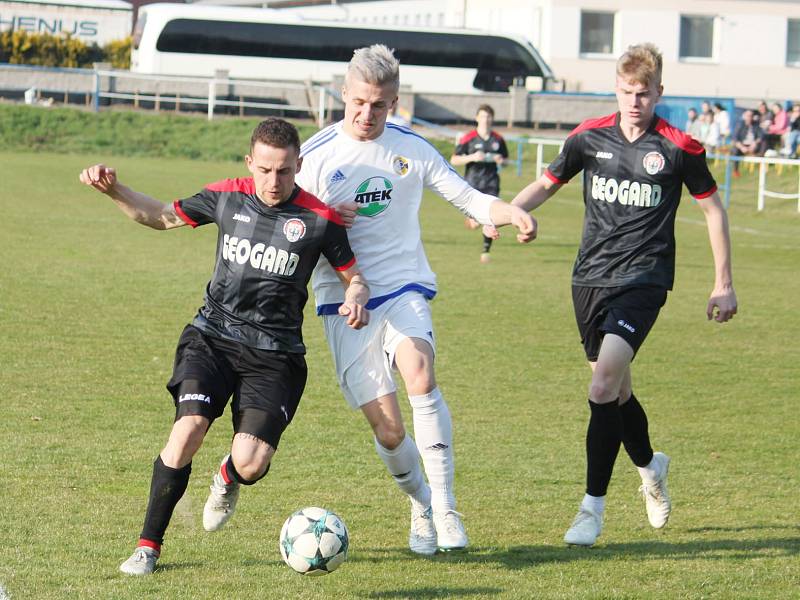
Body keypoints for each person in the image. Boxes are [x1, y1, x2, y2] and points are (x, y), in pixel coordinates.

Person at [79, 118, 370, 576]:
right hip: (212, 337)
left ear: (299, 164)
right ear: (250, 162)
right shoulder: (227, 195)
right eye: (266, 170)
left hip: (275, 354)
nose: (274, 182)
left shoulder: (319, 219)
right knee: (187, 430)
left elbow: (354, 277)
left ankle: (228, 477)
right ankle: (147, 548)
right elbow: (161, 215)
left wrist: (355, 298)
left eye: (285, 171)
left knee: (251, 464)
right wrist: (114, 190)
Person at [293, 44, 536, 555]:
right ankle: (421, 503)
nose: (367, 114)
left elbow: (466, 196)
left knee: (420, 373)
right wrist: (323, 220)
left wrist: (510, 213)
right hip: (342, 299)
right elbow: (285, 227)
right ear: (344, 94)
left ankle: (446, 508)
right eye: (359, 102)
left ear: (395, 102)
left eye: (379, 105)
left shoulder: (413, 149)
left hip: (402, 284)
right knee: (388, 430)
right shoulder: (313, 158)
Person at [508, 43, 737, 547]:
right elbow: (547, 184)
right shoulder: (589, 137)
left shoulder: (680, 147)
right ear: (617, 88)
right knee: (618, 392)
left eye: (645, 93)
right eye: (627, 92)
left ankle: (591, 510)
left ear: (660, 92)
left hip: (644, 280)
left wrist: (723, 283)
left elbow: (714, 211)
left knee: (601, 387)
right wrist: (505, 212)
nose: (635, 101)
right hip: (589, 279)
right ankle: (651, 467)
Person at [451, 103, 510, 263]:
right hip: (472, 182)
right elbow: (454, 159)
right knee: (475, 222)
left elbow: (507, 161)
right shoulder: (468, 138)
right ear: (477, 118)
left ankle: (486, 250)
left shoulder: (498, 139)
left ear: (492, 119)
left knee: (490, 217)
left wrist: (501, 160)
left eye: (488, 116)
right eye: (483, 116)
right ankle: (473, 220)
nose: (486, 119)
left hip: (491, 182)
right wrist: (472, 157)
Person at [731, 109, 765, 176]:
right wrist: (741, 147)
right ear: (744, 116)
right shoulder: (740, 124)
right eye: (748, 116)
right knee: (735, 150)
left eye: (751, 116)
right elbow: (735, 138)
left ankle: (761, 167)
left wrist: (755, 143)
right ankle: (735, 170)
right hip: (742, 145)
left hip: (753, 145)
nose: (749, 117)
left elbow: (761, 136)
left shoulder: (756, 124)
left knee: (763, 144)